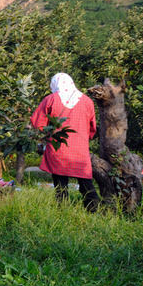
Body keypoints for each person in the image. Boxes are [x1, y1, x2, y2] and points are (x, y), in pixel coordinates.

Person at [30, 73, 100, 211]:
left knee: (60, 184)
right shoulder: (87, 101)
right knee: (86, 181)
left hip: (58, 147)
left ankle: (63, 211)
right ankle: (93, 210)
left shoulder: (50, 99)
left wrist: (49, 132)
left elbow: (37, 122)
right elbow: (92, 128)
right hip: (80, 149)